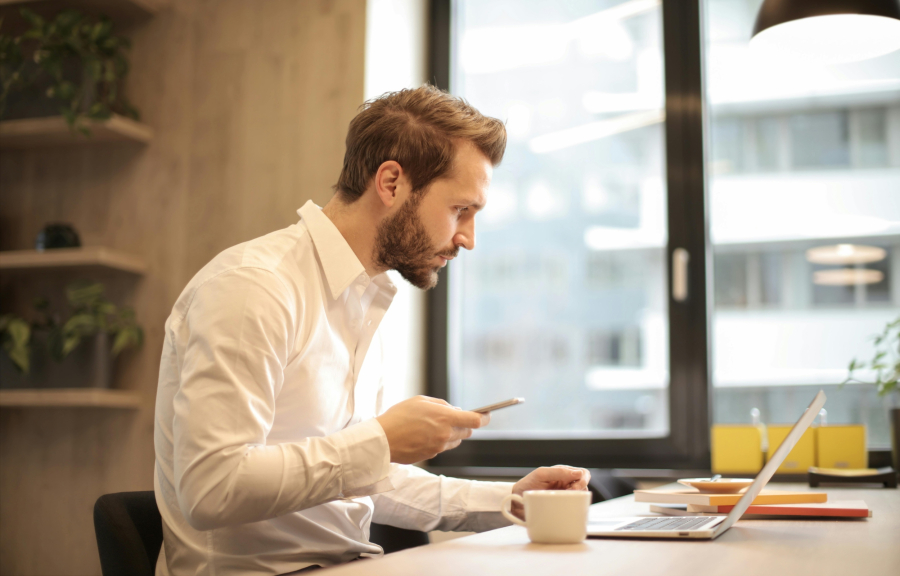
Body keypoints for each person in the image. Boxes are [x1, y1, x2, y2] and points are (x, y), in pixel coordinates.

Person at [153, 85, 591, 576]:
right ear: (390, 183)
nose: (468, 239)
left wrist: (508, 500)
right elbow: (211, 488)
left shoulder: (363, 299)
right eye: (460, 210)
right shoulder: (253, 288)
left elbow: (354, 478)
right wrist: (379, 440)